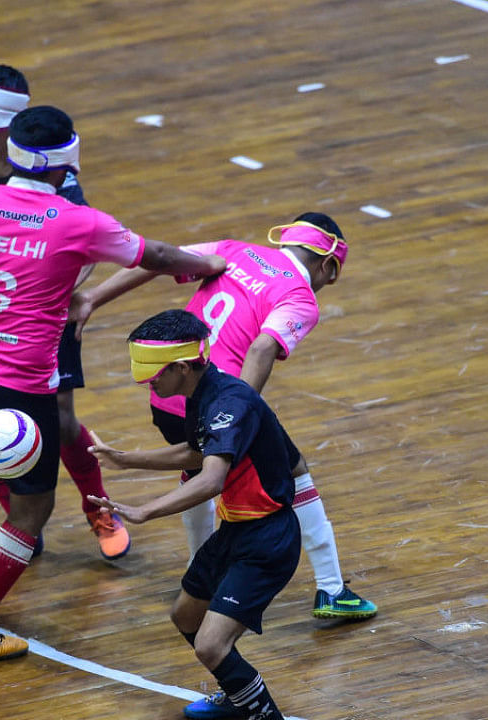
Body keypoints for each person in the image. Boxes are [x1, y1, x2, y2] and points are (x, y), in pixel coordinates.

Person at [0, 105, 226, 660]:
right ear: (66, 165)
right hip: (21, 384)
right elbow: (153, 255)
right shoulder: (77, 220)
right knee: (31, 512)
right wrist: (204, 266)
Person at [72, 212, 377, 622]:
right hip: (216, 398)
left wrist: (92, 298)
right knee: (294, 470)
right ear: (328, 266)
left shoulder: (234, 250)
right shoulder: (300, 297)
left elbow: (160, 260)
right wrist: (241, 415)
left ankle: (200, 572)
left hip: (166, 394)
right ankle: (331, 589)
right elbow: (261, 350)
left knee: (198, 466)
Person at [0, 64, 129, 560]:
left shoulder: (54, 173)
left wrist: (48, 294)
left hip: (46, 315)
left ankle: (97, 507)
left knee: (60, 422)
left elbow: (77, 252)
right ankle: (19, 519)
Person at [87, 309, 300, 720]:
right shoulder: (200, 393)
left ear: (183, 367)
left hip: (267, 539)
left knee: (210, 646)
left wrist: (145, 511)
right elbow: (197, 451)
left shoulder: (229, 403)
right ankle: (239, 695)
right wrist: (125, 459)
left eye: (155, 376)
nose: (150, 384)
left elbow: (210, 479)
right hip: (236, 529)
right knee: (185, 614)